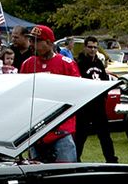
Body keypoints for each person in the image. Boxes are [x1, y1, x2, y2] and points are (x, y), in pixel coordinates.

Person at [18, 25, 80, 162]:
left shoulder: (67, 64)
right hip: (35, 131)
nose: (32, 45)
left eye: (36, 41)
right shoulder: (27, 64)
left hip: (61, 130)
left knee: (65, 172)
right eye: (31, 41)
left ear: (49, 43)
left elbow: (77, 94)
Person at [74, 37, 118, 163]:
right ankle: (75, 159)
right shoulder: (79, 63)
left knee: (105, 135)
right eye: (90, 47)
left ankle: (111, 160)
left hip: (98, 105)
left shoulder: (99, 63)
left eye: (95, 47)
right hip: (85, 105)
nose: (93, 50)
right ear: (85, 47)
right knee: (81, 135)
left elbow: (104, 80)